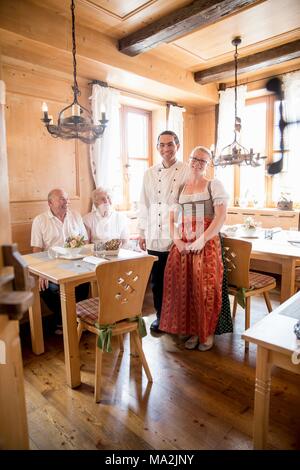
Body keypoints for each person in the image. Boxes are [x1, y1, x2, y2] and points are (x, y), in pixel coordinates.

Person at [159, 146, 232, 351]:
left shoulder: (213, 185)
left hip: (206, 244)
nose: (198, 163)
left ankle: (206, 333)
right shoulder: (180, 187)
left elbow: (220, 217)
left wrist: (203, 239)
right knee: (186, 288)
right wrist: (177, 241)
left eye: (203, 160)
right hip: (183, 244)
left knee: (205, 289)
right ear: (189, 159)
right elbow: (172, 219)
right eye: (195, 158)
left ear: (208, 165)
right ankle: (193, 330)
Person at [138, 130, 188, 332]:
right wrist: (142, 232)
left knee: (176, 281)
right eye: (162, 145)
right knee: (158, 282)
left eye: (170, 144)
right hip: (154, 234)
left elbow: (192, 202)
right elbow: (144, 203)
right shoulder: (149, 173)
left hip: (176, 235)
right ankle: (161, 318)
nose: (166, 148)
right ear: (157, 147)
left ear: (177, 146)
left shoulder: (186, 170)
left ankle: (178, 319)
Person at [31, 188, 89, 334]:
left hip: (76, 263)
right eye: (62, 199)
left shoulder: (75, 215)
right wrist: (41, 273)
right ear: (50, 203)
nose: (66, 202)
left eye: (67, 199)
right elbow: (36, 250)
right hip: (50, 266)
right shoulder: (40, 220)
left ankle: (71, 320)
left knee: (85, 282)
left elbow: (86, 241)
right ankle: (65, 320)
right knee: (45, 288)